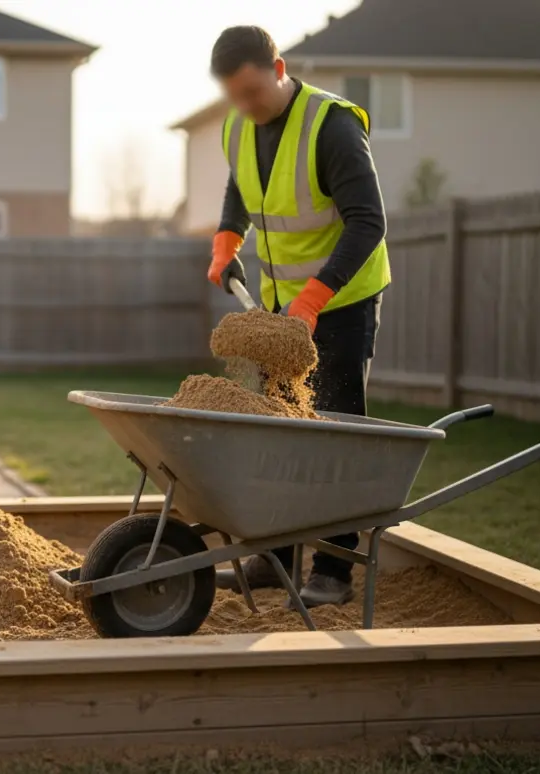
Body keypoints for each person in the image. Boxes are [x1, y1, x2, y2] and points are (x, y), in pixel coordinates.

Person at [207, 25, 392, 607]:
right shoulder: (238, 125)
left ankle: (332, 573)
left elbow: (368, 221)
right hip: (280, 307)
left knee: (333, 434)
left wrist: (315, 298)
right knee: (275, 429)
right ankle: (271, 557)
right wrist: (226, 237)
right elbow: (243, 185)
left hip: (342, 302)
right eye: (235, 95)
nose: (247, 106)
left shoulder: (331, 127)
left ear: (279, 68)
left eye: (255, 92)